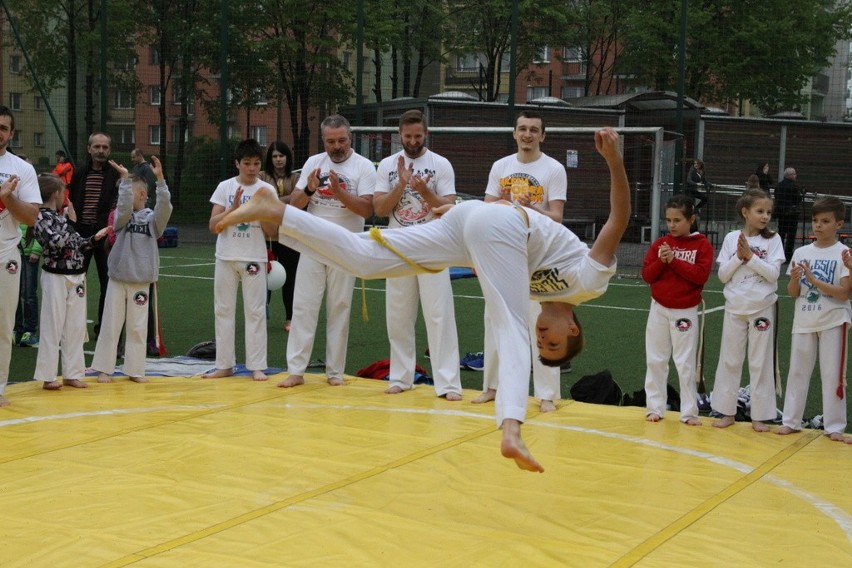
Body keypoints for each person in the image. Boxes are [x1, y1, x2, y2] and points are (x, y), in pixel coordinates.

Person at [215, 127, 630, 473]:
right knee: (512, 328)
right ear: (573, 328)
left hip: (469, 227)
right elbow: (618, 220)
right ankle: (512, 429)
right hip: (499, 224)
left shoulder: (534, 292)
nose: (544, 338)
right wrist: (614, 160)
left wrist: (446, 210)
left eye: (544, 347)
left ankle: (277, 210)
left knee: (367, 260)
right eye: (553, 342)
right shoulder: (589, 283)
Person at [474, 110, 566, 413]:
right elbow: (487, 209)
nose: (527, 134)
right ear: (514, 133)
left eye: (534, 130)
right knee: (495, 319)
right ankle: (492, 386)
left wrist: (531, 208)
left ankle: (547, 395)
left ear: (543, 135)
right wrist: (505, 202)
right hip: (503, 254)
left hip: (539, 256)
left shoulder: (553, 169)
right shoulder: (500, 166)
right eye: (522, 129)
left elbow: (557, 218)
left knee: (541, 324)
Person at [277, 114, 376, 389]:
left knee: (339, 307)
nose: (337, 146)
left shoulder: (364, 167)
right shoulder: (313, 163)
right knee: (303, 305)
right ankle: (296, 370)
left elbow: (367, 209)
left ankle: (335, 371)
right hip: (313, 242)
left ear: (350, 138)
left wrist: (338, 192)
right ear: (324, 140)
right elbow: (294, 205)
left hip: (346, 245)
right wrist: (310, 188)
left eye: (342, 140)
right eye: (331, 141)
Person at [373, 109, 462, 400]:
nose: (413, 141)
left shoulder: (441, 164)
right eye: (407, 136)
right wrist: (401, 183)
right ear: (399, 135)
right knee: (398, 314)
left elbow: (447, 208)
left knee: (439, 315)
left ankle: (448, 383)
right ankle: (401, 376)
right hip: (398, 245)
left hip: (432, 246)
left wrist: (423, 190)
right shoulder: (386, 165)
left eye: (418, 135)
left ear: (426, 133)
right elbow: (381, 209)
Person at [90, 157, 173, 384]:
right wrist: (125, 181)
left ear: (143, 195)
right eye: (121, 194)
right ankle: (104, 368)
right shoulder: (121, 219)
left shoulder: (153, 222)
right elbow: (124, 209)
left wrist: (160, 180)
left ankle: (135, 369)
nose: (122, 199)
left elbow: (164, 209)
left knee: (138, 327)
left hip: (141, 281)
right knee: (111, 324)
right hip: (118, 278)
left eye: (129, 192)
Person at [776, 196, 851, 442]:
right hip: (804, 321)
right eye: (815, 220)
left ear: (839, 224)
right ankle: (791, 421)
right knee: (797, 372)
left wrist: (814, 279)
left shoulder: (844, 254)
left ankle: (835, 427)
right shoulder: (801, 252)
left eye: (825, 221)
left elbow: (843, 293)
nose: (818, 226)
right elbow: (793, 292)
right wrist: (797, 278)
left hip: (833, 319)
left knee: (832, 375)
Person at [204, 139, 278, 382]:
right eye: (247, 163)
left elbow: (271, 231)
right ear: (237, 163)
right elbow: (214, 226)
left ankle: (257, 365)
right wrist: (233, 210)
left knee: (255, 311)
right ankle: (224, 364)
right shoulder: (225, 187)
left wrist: (261, 211)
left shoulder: (267, 190)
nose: (252, 168)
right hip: (226, 256)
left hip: (253, 257)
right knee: (223, 310)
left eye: (256, 163)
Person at [711, 188, 785, 432]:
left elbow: (774, 274)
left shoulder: (773, 240)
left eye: (768, 212)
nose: (765, 216)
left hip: (762, 308)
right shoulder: (732, 238)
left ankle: (760, 416)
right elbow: (722, 275)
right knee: (730, 360)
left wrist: (751, 257)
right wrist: (739, 257)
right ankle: (726, 411)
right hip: (734, 308)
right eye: (760, 211)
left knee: (760, 362)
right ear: (745, 212)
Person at [32, 174, 110, 390]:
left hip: (76, 275)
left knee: (75, 327)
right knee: (52, 325)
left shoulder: (60, 216)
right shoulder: (40, 217)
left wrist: (94, 238)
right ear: (56, 193)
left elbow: (77, 244)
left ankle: (72, 373)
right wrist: (72, 221)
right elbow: (55, 242)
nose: (65, 196)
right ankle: (48, 376)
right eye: (64, 191)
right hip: (55, 276)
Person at [641, 195, 714, 425]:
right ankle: (655, 407)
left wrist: (673, 261)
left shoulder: (702, 245)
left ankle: (690, 411)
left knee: (685, 362)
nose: (671, 225)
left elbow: (700, 277)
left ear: (691, 219)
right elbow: (647, 276)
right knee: (656, 359)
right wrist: (662, 261)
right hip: (659, 308)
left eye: (677, 220)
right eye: (668, 220)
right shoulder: (660, 244)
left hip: (685, 311)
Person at [0, 105, 41, 407]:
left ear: (11, 133)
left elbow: (31, 218)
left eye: (3, 127)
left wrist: (8, 196)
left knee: (3, 325)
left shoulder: (22, 169)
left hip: (6, 255)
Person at [68, 132, 120, 338]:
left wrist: (108, 231)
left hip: (105, 235)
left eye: (104, 147)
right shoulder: (79, 174)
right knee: (73, 282)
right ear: (89, 149)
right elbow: (72, 202)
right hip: (81, 235)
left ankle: (104, 330)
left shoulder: (116, 175)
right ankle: (74, 328)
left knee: (108, 284)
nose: (101, 151)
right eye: (96, 147)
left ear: (109, 150)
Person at [259, 141, 300, 332]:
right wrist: (285, 201)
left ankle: (290, 318)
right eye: (274, 156)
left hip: (290, 236)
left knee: (290, 279)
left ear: (287, 157)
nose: (278, 160)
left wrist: (273, 201)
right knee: (262, 278)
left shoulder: (296, 178)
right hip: (265, 236)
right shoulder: (261, 177)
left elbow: (297, 200)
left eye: (281, 156)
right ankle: (260, 315)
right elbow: (257, 199)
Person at [13, 222, 41, 347]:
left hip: (29, 253)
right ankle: (15, 329)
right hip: (12, 252)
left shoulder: (33, 203)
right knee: (14, 292)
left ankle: (30, 330)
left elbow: (41, 227)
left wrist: (37, 249)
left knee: (28, 293)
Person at [774, 167, 803, 262]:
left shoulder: (778, 186)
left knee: (781, 234)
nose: (796, 175)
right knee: (791, 236)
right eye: (794, 174)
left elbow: (777, 198)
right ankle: (788, 255)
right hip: (792, 215)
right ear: (790, 175)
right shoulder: (794, 186)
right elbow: (797, 199)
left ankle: (779, 254)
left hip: (781, 214)